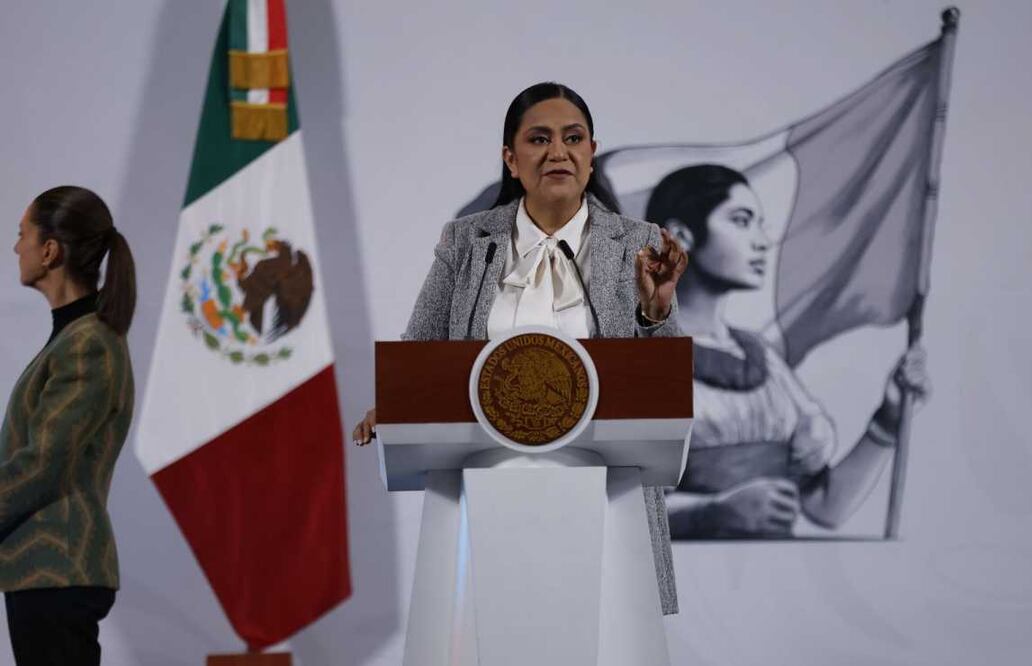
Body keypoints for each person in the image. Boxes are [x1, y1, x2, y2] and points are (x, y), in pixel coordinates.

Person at [353, 82, 688, 614]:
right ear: (511, 159)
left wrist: (656, 311)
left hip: (606, 487)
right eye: (539, 139)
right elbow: (419, 350)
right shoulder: (466, 241)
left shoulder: (638, 241)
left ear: (592, 153)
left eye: (573, 138)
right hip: (486, 484)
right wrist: (396, 405)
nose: (558, 152)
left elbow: (664, 390)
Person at [644, 164, 928, 539]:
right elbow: (614, 507)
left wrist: (889, 419)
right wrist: (710, 513)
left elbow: (825, 507)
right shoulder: (640, 354)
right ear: (680, 236)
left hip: (776, 582)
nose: (762, 240)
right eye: (742, 221)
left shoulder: (762, 359)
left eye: (760, 223)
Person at [2, 186, 136, 665]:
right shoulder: (76, 337)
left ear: (50, 250)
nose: (16, 247)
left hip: (57, 567)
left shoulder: (87, 343)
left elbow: (42, 462)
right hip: (44, 570)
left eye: (23, 235)